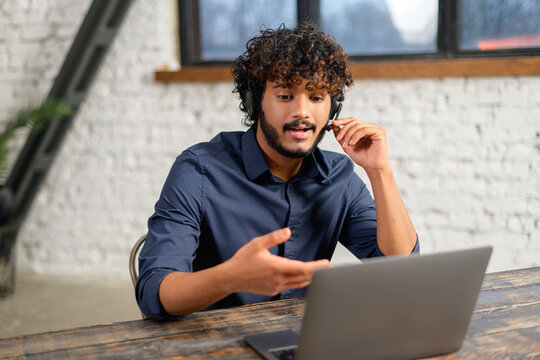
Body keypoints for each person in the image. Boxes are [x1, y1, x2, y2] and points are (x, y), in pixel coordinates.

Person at [136, 21, 418, 320]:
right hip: (215, 342)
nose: (302, 112)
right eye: (285, 96)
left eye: (317, 97)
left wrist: (380, 171)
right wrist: (231, 277)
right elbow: (154, 293)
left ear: (332, 109)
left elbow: (400, 265)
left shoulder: (339, 176)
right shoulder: (199, 170)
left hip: (304, 338)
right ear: (255, 102)